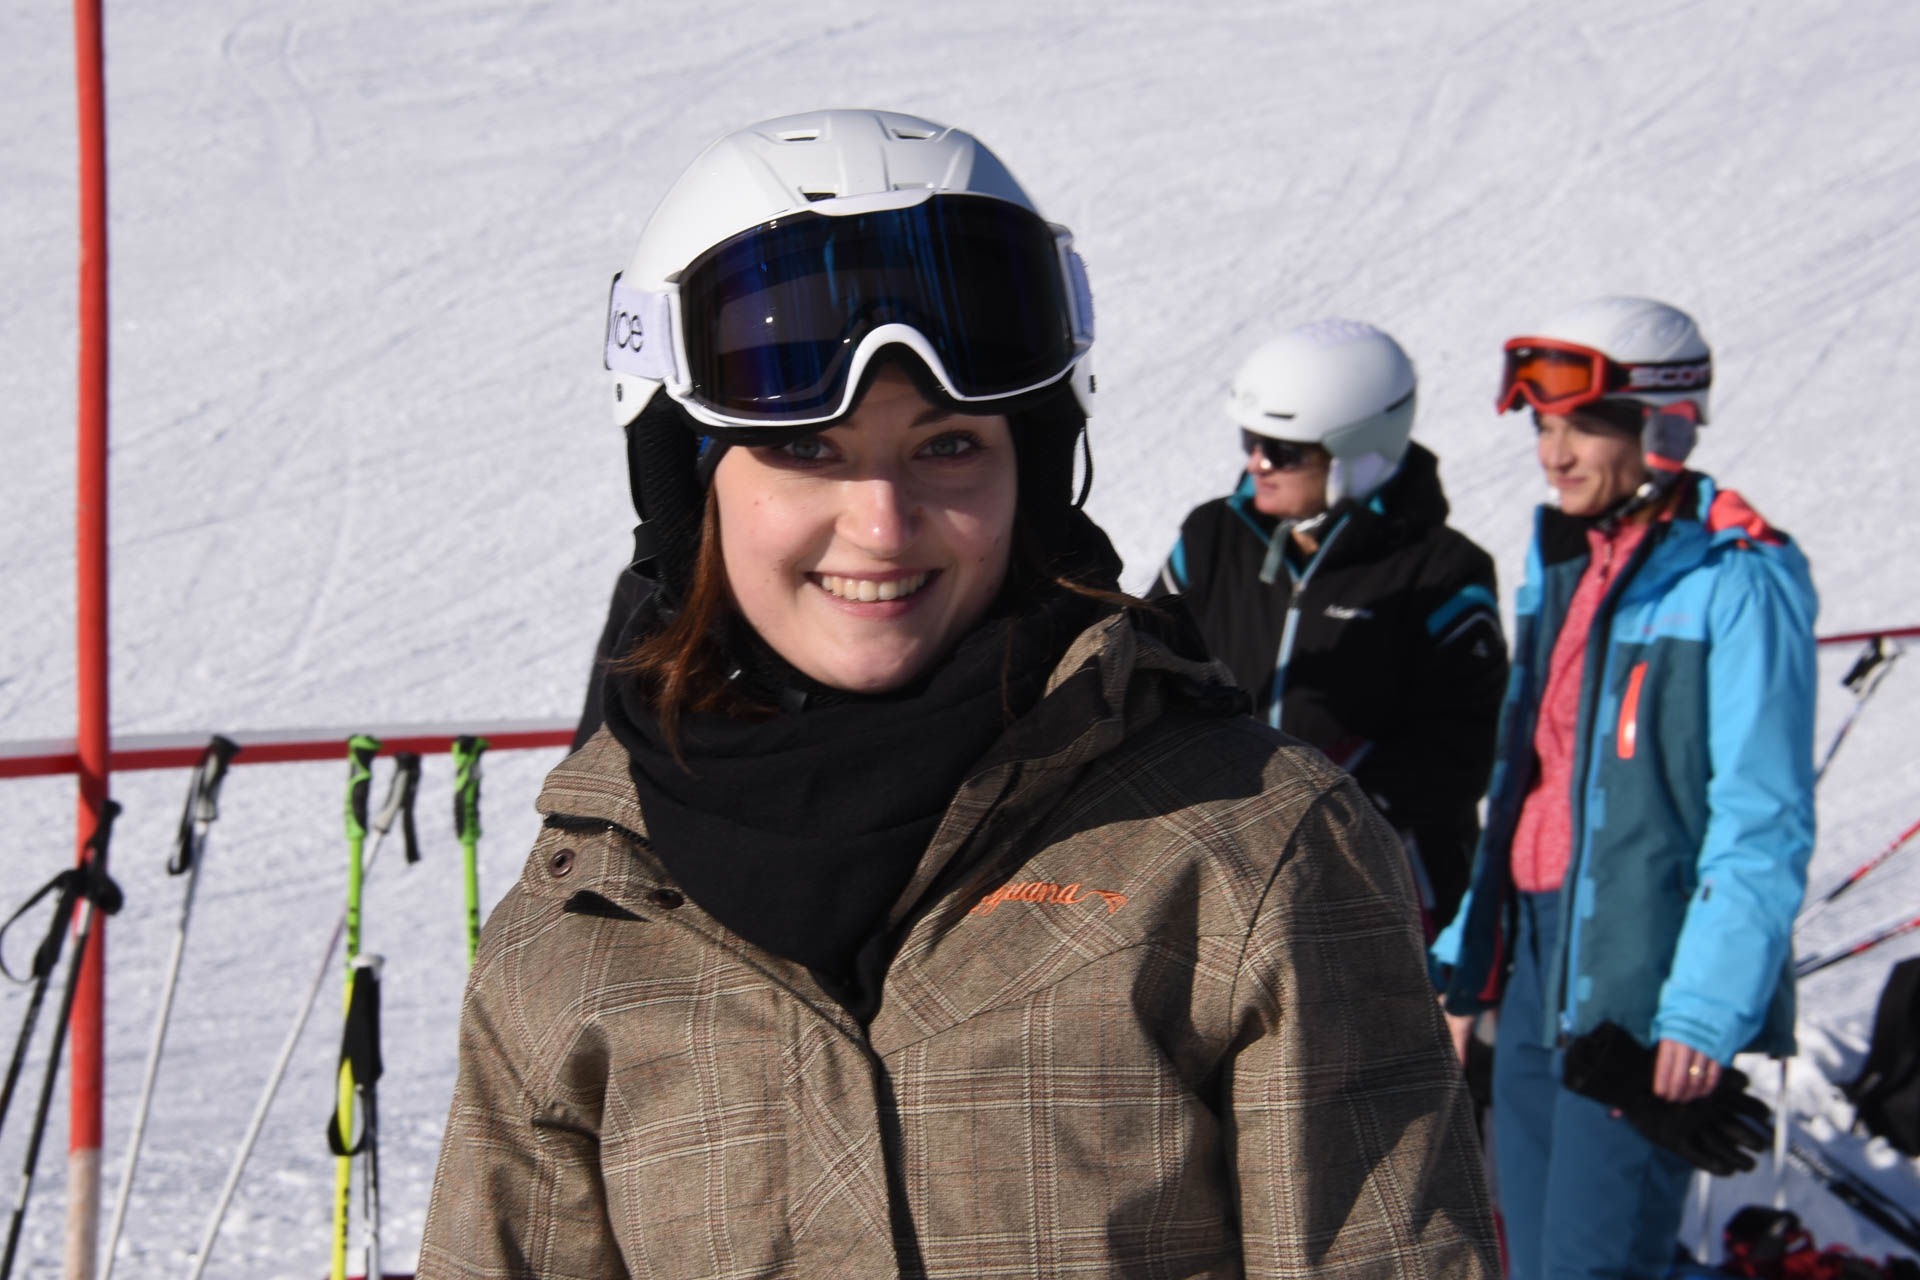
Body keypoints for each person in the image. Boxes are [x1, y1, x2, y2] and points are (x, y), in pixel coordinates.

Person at [418, 109, 1496, 1279]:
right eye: (808, 449)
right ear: (689, 484)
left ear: (1031, 470)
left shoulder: (1245, 853)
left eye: (947, 446)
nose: (883, 526)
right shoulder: (591, 913)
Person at [1431, 296, 1817, 1279]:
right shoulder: (1569, 559)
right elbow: (1529, 788)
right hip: (1535, 966)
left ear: (1663, 425)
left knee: (1593, 1267)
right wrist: (1470, 960)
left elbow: (1764, 818)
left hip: (1641, 986)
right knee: (1528, 1262)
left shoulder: (1736, 579)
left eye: (1581, 427)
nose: (1553, 455)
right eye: (1542, 427)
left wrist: (1703, 1008)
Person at [1152, 321, 1507, 936]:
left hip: (1373, 895)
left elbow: (1461, 752)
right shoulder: (1212, 537)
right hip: (1226, 876)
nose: (1256, 463)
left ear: (1357, 455)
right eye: (1251, 441)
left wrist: (1319, 815)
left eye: (1283, 451)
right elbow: (1150, 662)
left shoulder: (1442, 573)